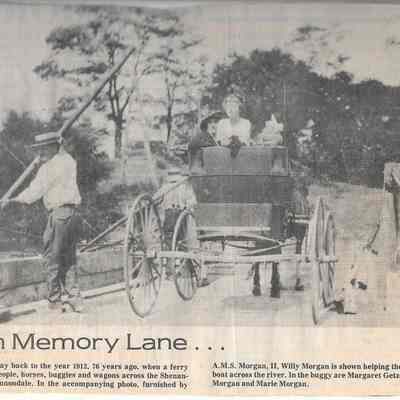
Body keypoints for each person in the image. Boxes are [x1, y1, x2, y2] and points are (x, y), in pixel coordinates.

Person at [1, 132, 83, 313]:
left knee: (52, 258)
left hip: (59, 215)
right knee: (69, 258)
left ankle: (54, 301)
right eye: (39, 149)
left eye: (44, 149)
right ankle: (75, 298)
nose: (41, 153)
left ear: (54, 147)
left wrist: (12, 200)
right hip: (73, 215)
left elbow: (34, 192)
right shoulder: (69, 160)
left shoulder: (48, 168)